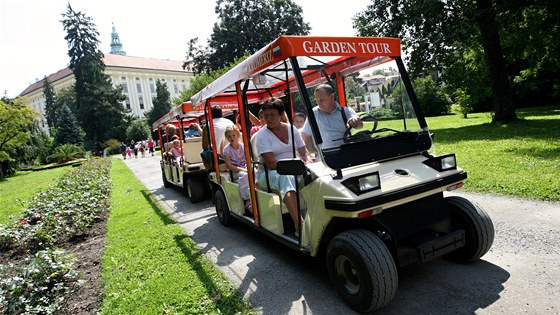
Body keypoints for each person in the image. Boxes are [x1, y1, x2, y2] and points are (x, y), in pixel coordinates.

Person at [255, 97, 312, 234]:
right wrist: (296, 169)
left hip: (295, 169)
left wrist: (308, 162)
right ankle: (299, 224)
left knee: (315, 174)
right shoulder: (262, 135)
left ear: (281, 115)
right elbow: (271, 163)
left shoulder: (292, 129)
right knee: (286, 178)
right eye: (266, 115)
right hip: (270, 173)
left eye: (272, 115)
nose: (268, 119)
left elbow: (305, 153)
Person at [301, 84, 363, 148]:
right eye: (317, 100)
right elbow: (305, 135)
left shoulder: (346, 111)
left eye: (322, 100)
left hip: (345, 153)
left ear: (332, 96)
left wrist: (355, 121)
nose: (319, 103)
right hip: (324, 156)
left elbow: (359, 126)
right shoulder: (314, 113)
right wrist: (310, 154)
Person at [222, 125, 252, 213]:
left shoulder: (243, 146)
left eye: (233, 135)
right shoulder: (226, 150)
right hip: (235, 171)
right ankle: (247, 200)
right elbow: (229, 165)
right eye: (229, 136)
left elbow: (248, 159)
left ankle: (257, 194)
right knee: (245, 175)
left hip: (245, 167)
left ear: (238, 135)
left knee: (256, 172)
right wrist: (243, 170)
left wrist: (249, 167)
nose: (232, 138)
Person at [201, 105, 234, 170]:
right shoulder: (230, 122)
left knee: (203, 153)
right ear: (221, 113)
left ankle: (211, 171)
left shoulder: (207, 125)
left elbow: (204, 146)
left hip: (219, 156)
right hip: (234, 151)